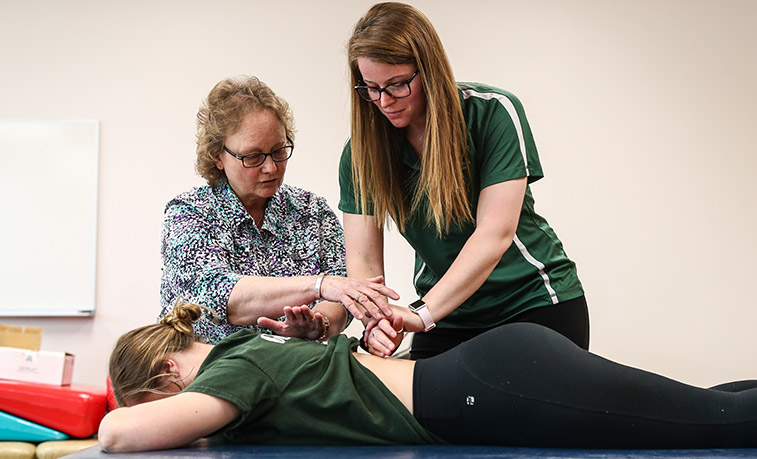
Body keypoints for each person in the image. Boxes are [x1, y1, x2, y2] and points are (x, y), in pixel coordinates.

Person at [99, 302, 757, 453]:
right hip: (490, 371)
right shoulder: (248, 350)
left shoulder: (229, 369)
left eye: (150, 397)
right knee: (706, 409)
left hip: (491, 386)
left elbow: (120, 437)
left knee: (721, 425)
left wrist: (108, 414)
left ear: (165, 372)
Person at [339, 2, 588, 358]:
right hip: (447, 318)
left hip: (531, 304)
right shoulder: (359, 155)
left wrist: (420, 313)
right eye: (371, 88)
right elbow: (363, 264)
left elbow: (494, 234)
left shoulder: (494, 112)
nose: (384, 101)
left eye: (397, 85)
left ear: (428, 70)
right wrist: (376, 320)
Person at [159, 75, 398, 344]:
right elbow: (215, 294)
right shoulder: (189, 213)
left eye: (278, 151)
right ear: (217, 156)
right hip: (211, 369)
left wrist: (319, 324)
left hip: (295, 366)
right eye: (253, 157)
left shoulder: (312, 210)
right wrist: (319, 285)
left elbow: (344, 291)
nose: (271, 167)